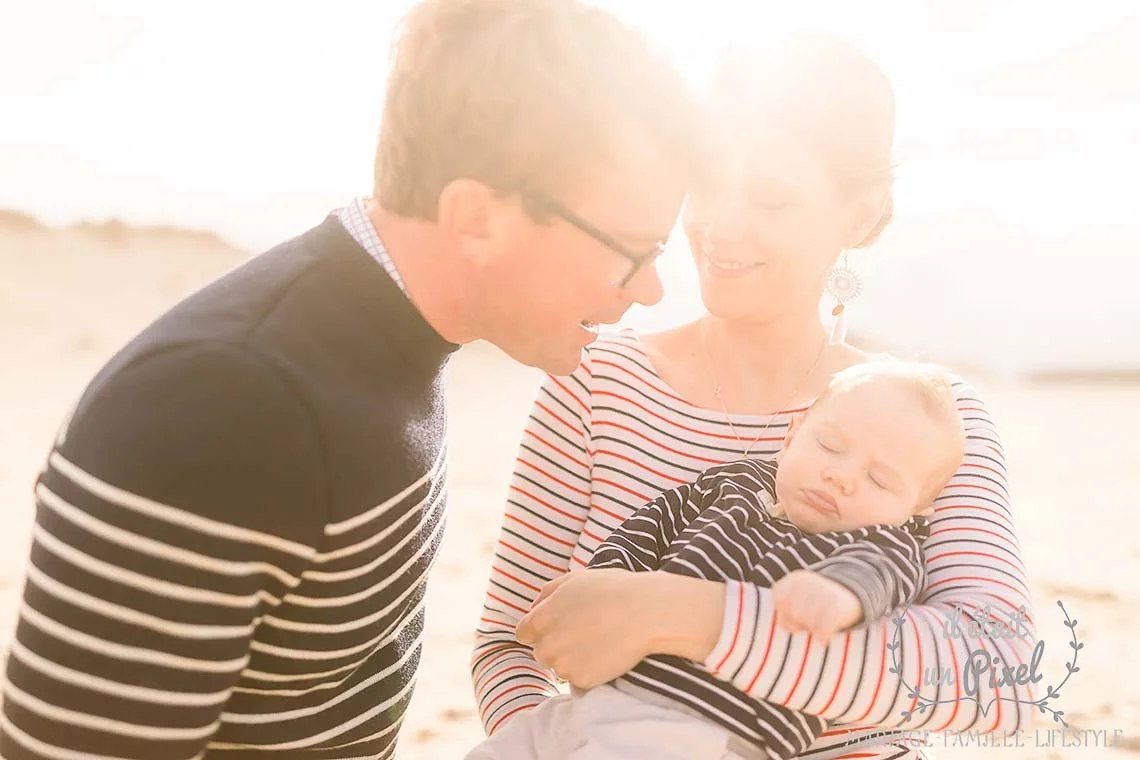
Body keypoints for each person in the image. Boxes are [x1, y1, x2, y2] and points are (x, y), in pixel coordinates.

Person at [0, 1, 697, 758]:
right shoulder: (220, 405)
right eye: (634, 249)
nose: (652, 289)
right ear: (475, 218)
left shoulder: (392, 348)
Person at [471, 35, 1038, 760]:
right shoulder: (594, 386)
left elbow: (1000, 675)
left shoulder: (927, 422)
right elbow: (507, 639)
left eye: (770, 196)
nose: (720, 225)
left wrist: (692, 616)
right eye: (707, 182)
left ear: (861, 216)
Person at [467, 361, 966, 760]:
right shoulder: (735, 484)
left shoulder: (879, 544)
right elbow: (656, 523)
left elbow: (879, 579)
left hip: (706, 731)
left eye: (879, 480)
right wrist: (606, 578)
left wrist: (837, 596)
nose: (842, 476)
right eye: (830, 446)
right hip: (589, 702)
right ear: (792, 435)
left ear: (916, 509)